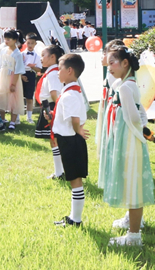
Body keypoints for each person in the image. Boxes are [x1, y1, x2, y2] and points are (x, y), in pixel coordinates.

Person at [103, 46, 154, 247]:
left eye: (112, 63)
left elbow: (133, 117)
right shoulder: (127, 84)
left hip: (129, 140)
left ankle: (133, 236)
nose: (109, 67)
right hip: (130, 138)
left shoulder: (125, 87)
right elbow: (140, 112)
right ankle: (133, 221)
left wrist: (140, 133)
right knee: (132, 181)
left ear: (125, 63)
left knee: (132, 184)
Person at [51, 53, 88, 227]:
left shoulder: (70, 94)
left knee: (75, 181)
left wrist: (77, 129)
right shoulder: (71, 92)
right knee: (74, 180)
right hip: (69, 139)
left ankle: (76, 219)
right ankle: (74, 217)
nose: (57, 72)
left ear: (70, 70)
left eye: (60, 69)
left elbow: (74, 118)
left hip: (71, 140)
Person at [35, 45, 64, 178]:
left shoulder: (53, 74)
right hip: (49, 106)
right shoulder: (51, 72)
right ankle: (59, 171)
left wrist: (55, 111)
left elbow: (54, 94)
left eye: (43, 55)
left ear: (53, 57)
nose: (41, 58)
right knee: (53, 140)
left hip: (52, 106)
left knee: (54, 140)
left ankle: (59, 172)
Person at [0, 30, 25, 130]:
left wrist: (13, 84)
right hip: (2, 77)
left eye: (8, 39)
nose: (6, 41)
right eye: (5, 39)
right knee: (0, 98)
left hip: (12, 78)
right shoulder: (3, 50)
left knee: (14, 99)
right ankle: (2, 119)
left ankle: (12, 122)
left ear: (14, 40)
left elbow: (18, 70)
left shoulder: (18, 54)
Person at [22, 33, 41, 124]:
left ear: (35, 44)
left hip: (31, 74)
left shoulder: (37, 56)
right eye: (28, 43)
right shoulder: (21, 54)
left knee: (29, 97)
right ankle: (17, 116)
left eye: (32, 43)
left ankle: (29, 117)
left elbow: (39, 69)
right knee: (19, 96)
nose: (30, 45)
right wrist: (21, 75)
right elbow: (17, 66)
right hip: (21, 74)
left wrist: (33, 67)